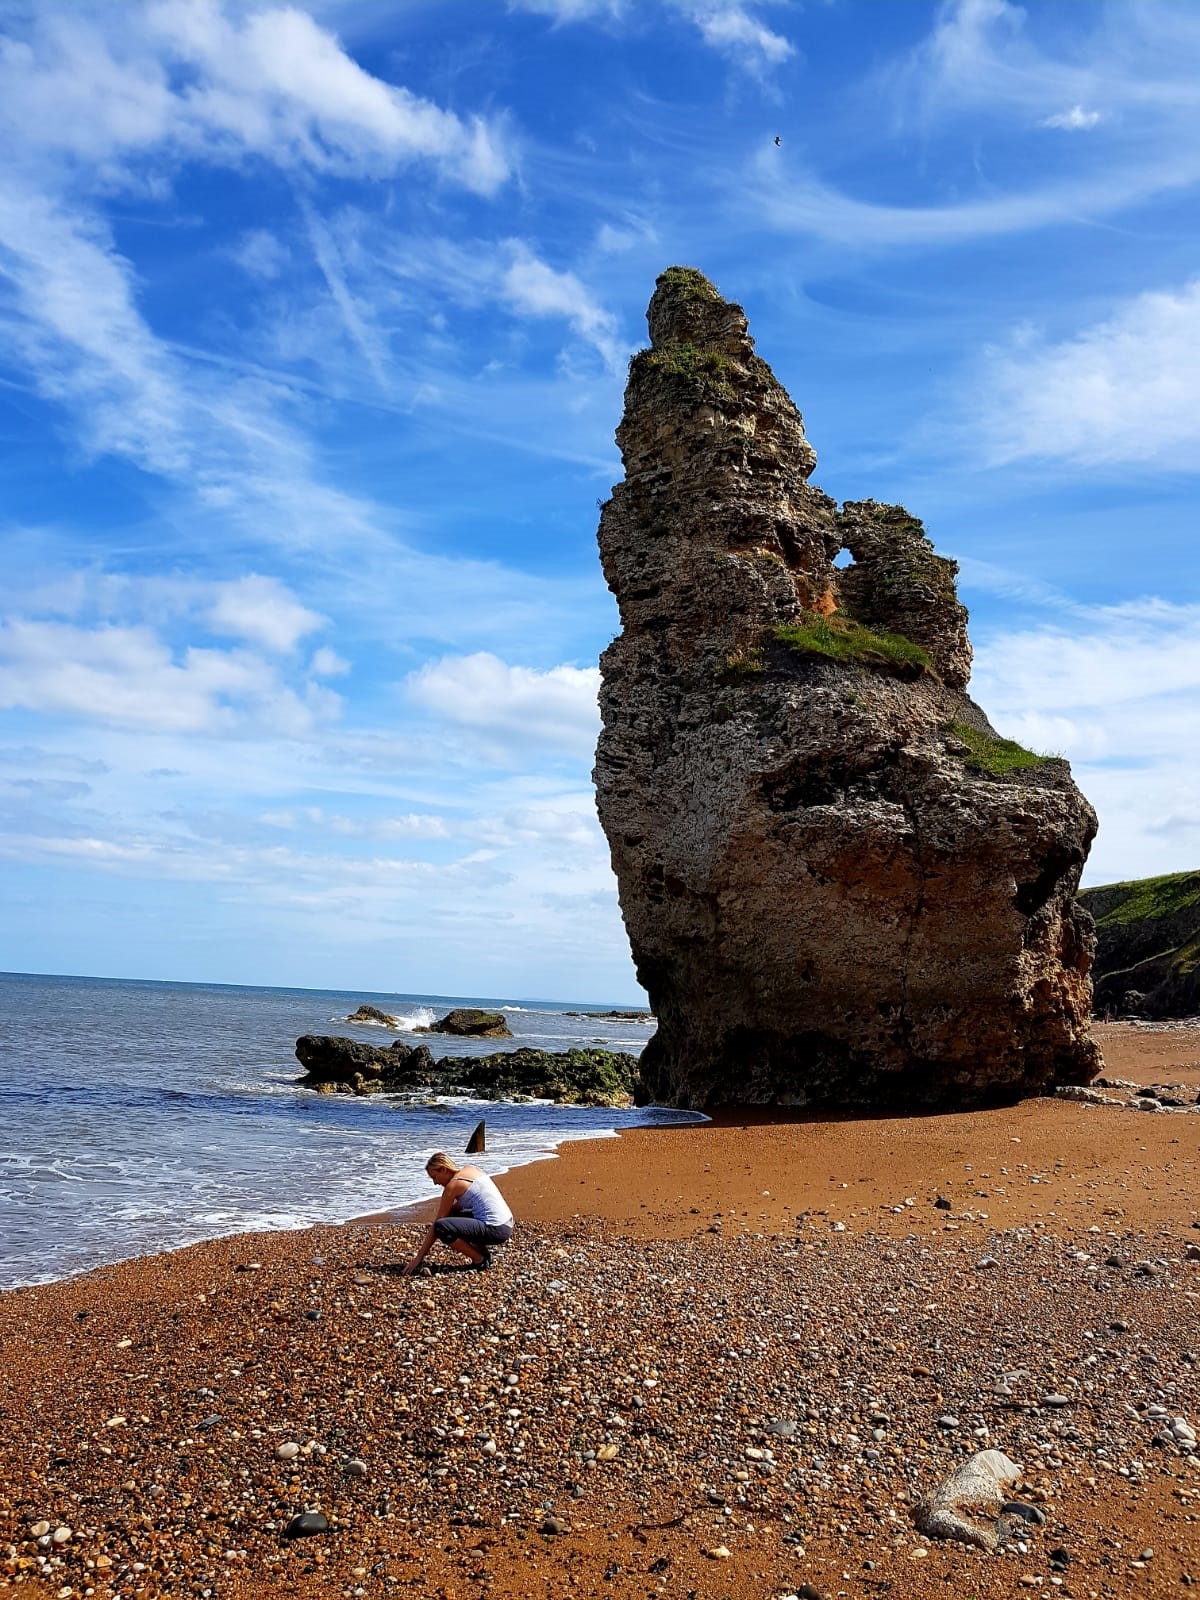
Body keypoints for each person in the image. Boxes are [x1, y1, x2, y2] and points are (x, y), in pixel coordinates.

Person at [401, 1152, 514, 1275]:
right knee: (453, 1216)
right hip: (506, 1223)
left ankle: (479, 1260)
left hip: (495, 1229)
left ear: (443, 1169)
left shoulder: (453, 1186)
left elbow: (437, 1225)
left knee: (441, 1227)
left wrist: (419, 1257)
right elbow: (467, 1203)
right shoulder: (470, 1169)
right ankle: (484, 1255)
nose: (435, 1183)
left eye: (435, 1177)